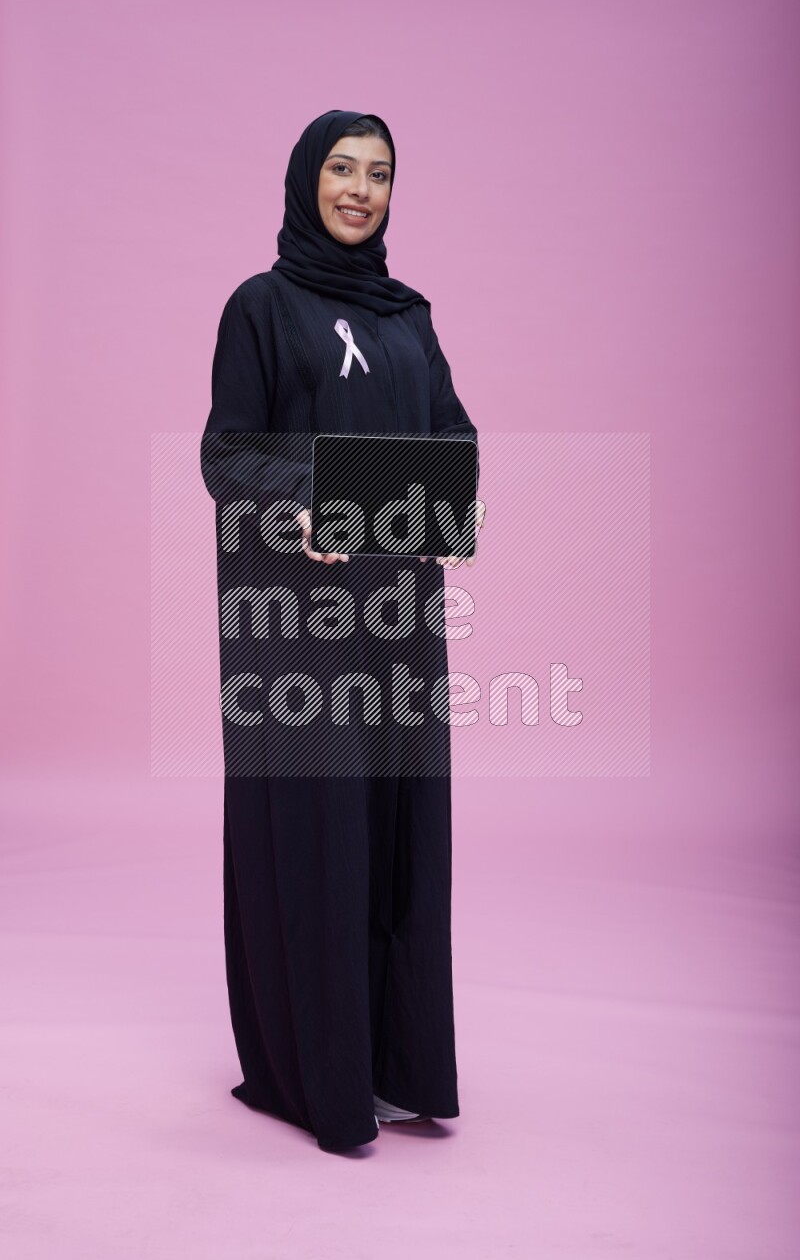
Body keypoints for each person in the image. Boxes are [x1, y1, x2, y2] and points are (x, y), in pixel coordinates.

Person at [200, 109, 484, 1152]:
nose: (359, 188)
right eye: (341, 168)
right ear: (304, 178)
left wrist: (454, 505)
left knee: (402, 826)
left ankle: (398, 1061)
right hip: (299, 624)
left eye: (378, 172)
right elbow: (227, 458)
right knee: (320, 834)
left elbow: (451, 433)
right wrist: (306, 503)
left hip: (399, 616)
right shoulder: (260, 308)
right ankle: (313, 1075)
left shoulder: (408, 316)